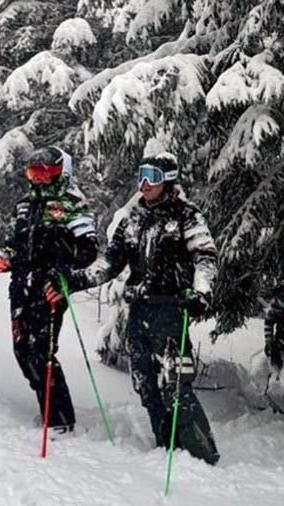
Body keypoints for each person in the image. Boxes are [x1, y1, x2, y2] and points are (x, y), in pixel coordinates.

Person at [44, 153, 220, 465]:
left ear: (168, 180)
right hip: (139, 309)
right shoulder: (134, 218)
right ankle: (166, 445)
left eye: (153, 176)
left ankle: (202, 455)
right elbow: (111, 262)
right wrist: (76, 279)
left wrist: (201, 292)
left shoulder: (186, 216)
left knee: (177, 381)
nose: (145, 183)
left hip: (171, 309)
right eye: (142, 175)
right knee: (145, 382)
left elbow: (205, 256)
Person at [0, 146, 98, 438]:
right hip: (22, 285)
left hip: (50, 286)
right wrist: (4, 257)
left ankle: (59, 420)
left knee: (41, 350)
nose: (37, 178)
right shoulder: (25, 204)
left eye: (44, 172)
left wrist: (63, 273)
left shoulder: (72, 203)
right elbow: (15, 242)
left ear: (60, 172)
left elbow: (88, 250)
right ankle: (46, 405)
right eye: (32, 172)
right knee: (22, 349)